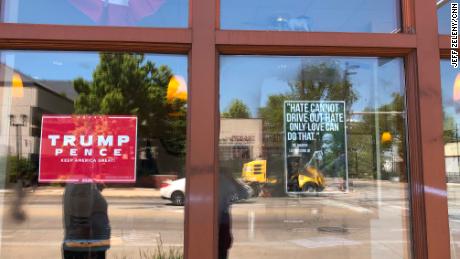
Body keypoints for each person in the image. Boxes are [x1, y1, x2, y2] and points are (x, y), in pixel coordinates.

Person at [62, 183, 110, 259]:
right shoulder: (81, 185)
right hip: (84, 247)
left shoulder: (86, 184)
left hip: (89, 245)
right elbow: (81, 213)